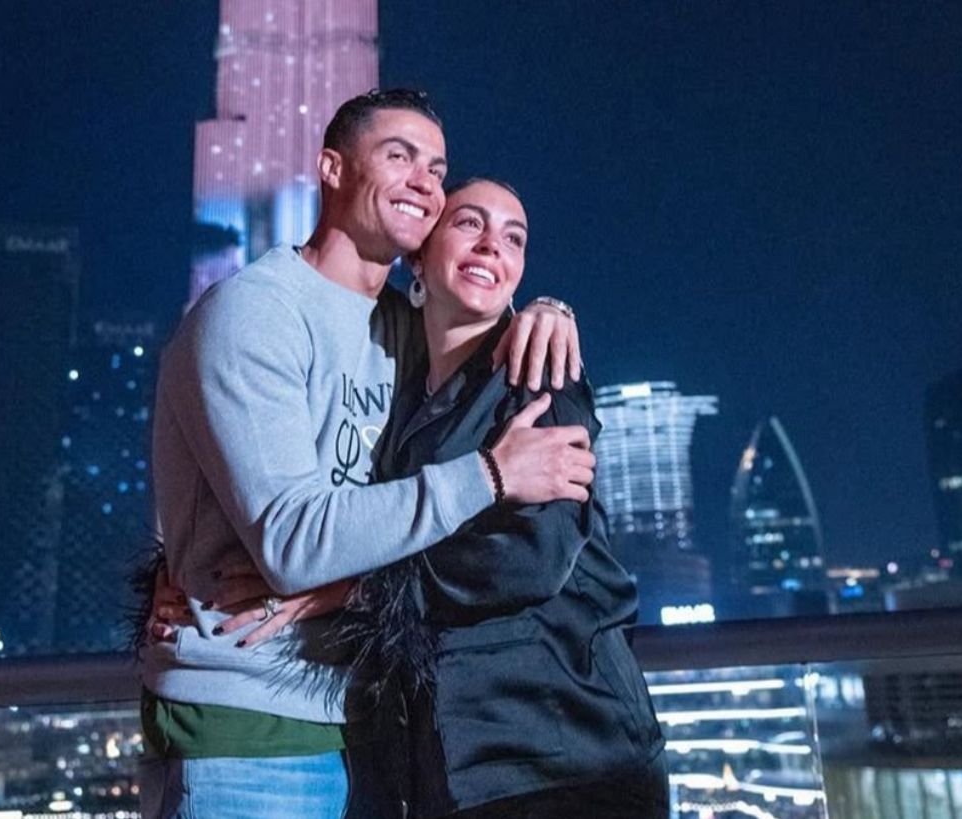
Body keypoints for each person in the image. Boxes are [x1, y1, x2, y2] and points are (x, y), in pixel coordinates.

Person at [136, 89, 595, 819]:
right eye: (398, 156)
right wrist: (491, 474)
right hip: (247, 730)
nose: (424, 181)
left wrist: (548, 309)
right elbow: (293, 543)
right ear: (332, 168)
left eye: (435, 168)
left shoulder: (405, 330)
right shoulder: (254, 314)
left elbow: (476, 309)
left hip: (373, 727)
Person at [181, 179, 668, 818]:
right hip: (448, 773)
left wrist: (347, 591)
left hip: (567, 759)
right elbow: (331, 499)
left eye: (514, 238)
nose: (492, 246)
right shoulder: (397, 389)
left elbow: (527, 559)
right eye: (470, 224)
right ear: (419, 255)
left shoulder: (536, 376)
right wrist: (192, 567)